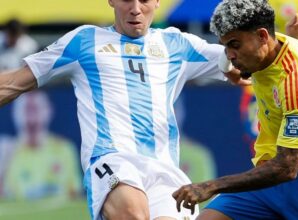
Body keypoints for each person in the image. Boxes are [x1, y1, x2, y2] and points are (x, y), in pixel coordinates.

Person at [0, 0, 253, 219]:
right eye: (126, 1)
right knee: (132, 213)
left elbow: (243, 56)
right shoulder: (83, 41)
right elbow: (14, 83)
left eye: (143, 1)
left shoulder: (179, 44)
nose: (135, 10)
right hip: (112, 159)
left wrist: (244, 63)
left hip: (163, 169)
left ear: (157, 2)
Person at [173, 0, 298, 219]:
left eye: (234, 45)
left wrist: (210, 186)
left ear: (263, 36)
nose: (229, 54)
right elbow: (233, 64)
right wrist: (227, 63)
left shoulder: (297, 81)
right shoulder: (264, 49)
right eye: (225, 45)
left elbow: (286, 168)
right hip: (269, 175)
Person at [240, 0, 298, 151]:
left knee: (297, 153)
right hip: (258, 90)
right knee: (263, 152)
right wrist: (291, 43)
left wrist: (293, 45)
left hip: (296, 87)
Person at [2, 90, 82, 201]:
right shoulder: (6, 151)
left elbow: (76, 194)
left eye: (35, 109)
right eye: (26, 109)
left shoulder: (64, 148)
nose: (31, 117)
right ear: (15, 113)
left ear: (49, 111)